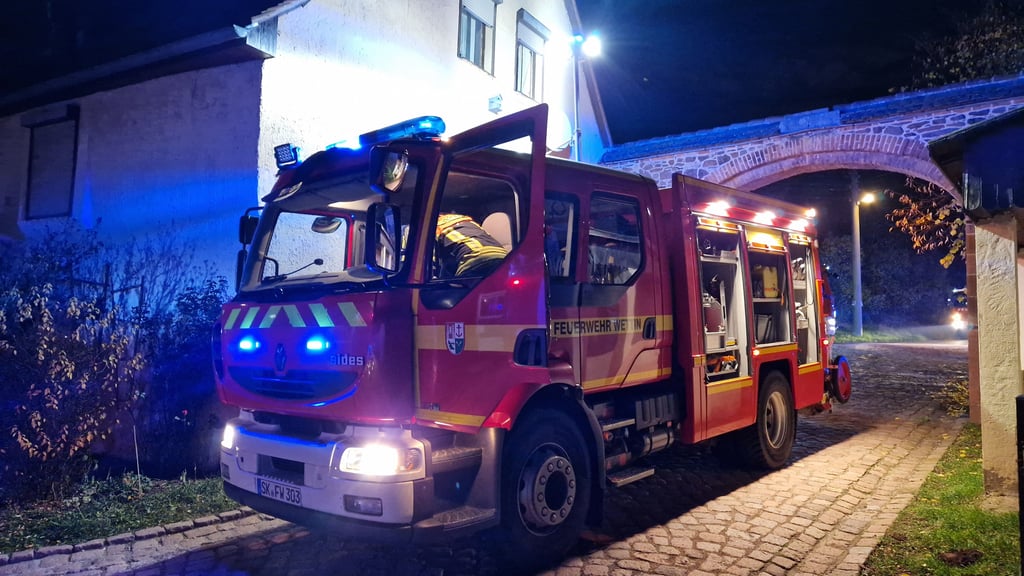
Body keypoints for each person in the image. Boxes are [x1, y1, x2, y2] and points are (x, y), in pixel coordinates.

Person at [435, 213, 508, 277]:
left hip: (475, 260)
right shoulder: (466, 221)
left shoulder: (433, 227)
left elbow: (434, 262)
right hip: (503, 257)